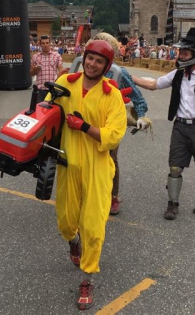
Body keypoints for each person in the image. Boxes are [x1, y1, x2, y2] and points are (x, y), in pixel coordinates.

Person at [52, 40, 127, 310]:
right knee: (65, 219)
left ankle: (87, 280)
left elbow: (115, 134)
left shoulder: (111, 95)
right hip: (68, 161)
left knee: (94, 227)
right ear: (83, 58)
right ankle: (73, 242)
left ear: (107, 66)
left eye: (99, 61)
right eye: (90, 58)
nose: (92, 64)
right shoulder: (66, 81)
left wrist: (83, 126)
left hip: (97, 167)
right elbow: (46, 113)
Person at [132, 28, 195, 220]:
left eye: (185, 52)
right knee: (175, 167)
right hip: (180, 127)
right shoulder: (177, 74)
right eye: (181, 52)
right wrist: (129, 78)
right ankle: (172, 204)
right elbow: (153, 84)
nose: (181, 55)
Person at [93, 32, 150, 215]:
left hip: (112, 123)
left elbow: (139, 99)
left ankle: (113, 196)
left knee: (110, 158)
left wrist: (141, 116)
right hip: (87, 120)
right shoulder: (85, 67)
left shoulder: (118, 72)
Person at [30, 35, 65, 101]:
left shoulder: (57, 56)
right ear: (40, 44)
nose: (45, 45)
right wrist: (36, 69)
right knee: (39, 110)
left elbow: (61, 69)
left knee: (52, 110)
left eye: (47, 43)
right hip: (40, 90)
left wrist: (62, 74)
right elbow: (31, 73)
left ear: (50, 43)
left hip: (52, 89)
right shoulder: (35, 57)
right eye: (43, 43)